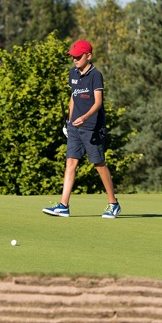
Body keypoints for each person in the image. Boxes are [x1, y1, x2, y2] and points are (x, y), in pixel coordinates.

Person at [43, 40, 120, 219]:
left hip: (92, 127)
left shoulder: (96, 75)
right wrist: (69, 121)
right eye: (73, 57)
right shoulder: (73, 73)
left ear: (88, 56)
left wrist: (84, 117)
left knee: (99, 164)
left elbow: (98, 102)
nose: (75, 59)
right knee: (71, 162)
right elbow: (73, 97)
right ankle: (64, 205)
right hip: (75, 127)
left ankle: (113, 204)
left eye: (78, 56)